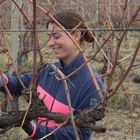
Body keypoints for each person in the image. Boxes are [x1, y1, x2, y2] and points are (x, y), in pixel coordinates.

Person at [0, 9, 104, 140]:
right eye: (49, 36)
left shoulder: (91, 84)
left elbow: (80, 134)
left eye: (56, 36)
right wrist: (2, 80)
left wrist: (35, 129)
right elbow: (17, 84)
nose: (50, 43)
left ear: (76, 35)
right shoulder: (48, 71)